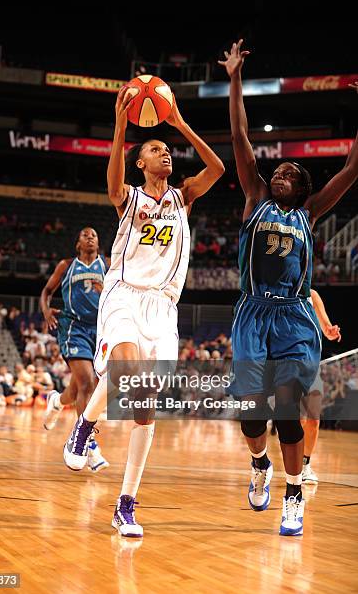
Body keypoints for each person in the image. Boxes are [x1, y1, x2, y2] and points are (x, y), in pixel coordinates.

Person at [62, 86, 225, 537]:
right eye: (156, 149)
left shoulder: (184, 196)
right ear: (141, 162)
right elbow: (112, 185)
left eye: (167, 150)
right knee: (125, 371)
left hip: (164, 306)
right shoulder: (131, 197)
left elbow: (218, 168)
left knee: (144, 406)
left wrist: (178, 123)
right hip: (124, 293)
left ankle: (125, 503)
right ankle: (87, 423)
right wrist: (119, 127)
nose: (165, 153)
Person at [220, 39, 358, 536]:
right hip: (253, 314)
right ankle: (260, 465)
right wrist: (234, 76)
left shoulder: (310, 212)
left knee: (286, 408)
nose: (279, 173)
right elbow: (239, 135)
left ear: (300, 186)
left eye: (289, 172)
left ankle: (294, 494)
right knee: (253, 418)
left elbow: (351, 168)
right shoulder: (254, 195)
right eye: (275, 169)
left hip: (295, 316)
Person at [40, 227, 109, 473]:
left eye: (94, 235)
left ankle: (57, 401)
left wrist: (107, 292)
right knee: (88, 383)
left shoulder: (108, 265)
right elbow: (47, 292)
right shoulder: (67, 265)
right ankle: (87, 443)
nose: (90, 237)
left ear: (99, 243)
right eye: (85, 235)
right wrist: (46, 310)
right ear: (78, 243)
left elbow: (121, 292)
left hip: (99, 330)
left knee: (80, 387)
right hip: (73, 327)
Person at [301, 289, 341, 484]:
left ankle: (305, 465)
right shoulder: (282, 293)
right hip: (286, 362)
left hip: (311, 363)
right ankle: (291, 467)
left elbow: (326, 327)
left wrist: (331, 331)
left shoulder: (312, 296)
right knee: (297, 420)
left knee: (313, 420)